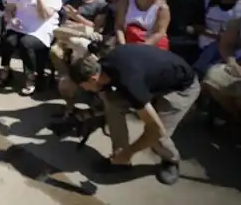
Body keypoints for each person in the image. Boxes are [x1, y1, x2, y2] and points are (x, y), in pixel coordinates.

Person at [70, 45, 199, 186]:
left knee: (156, 136)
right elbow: (106, 90)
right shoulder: (105, 65)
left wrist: (130, 151)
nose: (84, 90)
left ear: (93, 79)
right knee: (111, 102)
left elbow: (156, 129)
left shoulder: (130, 84)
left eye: (83, 86)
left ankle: (171, 160)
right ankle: (120, 159)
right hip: (156, 80)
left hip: (181, 88)